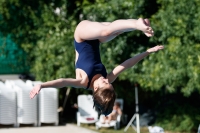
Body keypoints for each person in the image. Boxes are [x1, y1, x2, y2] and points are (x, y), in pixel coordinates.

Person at [29, 18, 164, 116]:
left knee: (107, 32)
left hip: (82, 35)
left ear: (96, 88)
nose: (107, 80)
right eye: (109, 84)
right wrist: (147, 52)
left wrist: (42, 85)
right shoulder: (107, 79)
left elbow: (63, 82)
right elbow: (126, 64)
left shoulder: (83, 82)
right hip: (97, 38)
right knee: (116, 31)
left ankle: (137, 24)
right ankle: (141, 25)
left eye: (105, 83)